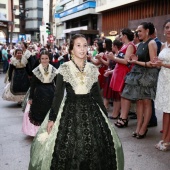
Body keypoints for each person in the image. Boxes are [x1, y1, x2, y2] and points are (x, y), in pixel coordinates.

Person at [29, 34, 124, 170]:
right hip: (70, 109)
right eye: (78, 45)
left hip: (91, 109)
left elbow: (97, 95)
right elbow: (58, 95)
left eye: (85, 45)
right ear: (72, 49)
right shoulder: (64, 68)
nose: (82, 49)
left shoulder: (92, 68)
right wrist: (52, 118)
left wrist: (105, 116)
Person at [121, 22, 159, 138]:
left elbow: (153, 64)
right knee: (139, 102)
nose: (138, 33)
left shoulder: (151, 43)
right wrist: (135, 59)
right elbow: (140, 59)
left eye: (140, 31)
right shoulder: (141, 44)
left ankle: (143, 127)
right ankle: (138, 127)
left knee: (146, 102)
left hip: (148, 76)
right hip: (139, 75)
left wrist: (136, 62)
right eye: (137, 31)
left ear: (147, 31)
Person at [22, 50, 58, 136]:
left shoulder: (53, 69)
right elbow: (33, 85)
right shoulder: (36, 70)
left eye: (46, 58)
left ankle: (50, 129)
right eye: (42, 58)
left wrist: (58, 96)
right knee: (39, 112)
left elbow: (57, 84)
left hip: (51, 93)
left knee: (50, 112)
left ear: (49, 59)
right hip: (39, 94)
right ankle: (39, 131)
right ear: (40, 60)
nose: (44, 60)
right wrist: (31, 97)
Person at [108, 28, 136, 127]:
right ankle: (123, 116)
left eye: (121, 35)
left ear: (125, 35)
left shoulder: (130, 46)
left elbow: (126, 61)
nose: (120, 37)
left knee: (125, 96)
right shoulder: (125, 45)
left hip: (124, 73)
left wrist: (113, 58)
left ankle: (124, 117)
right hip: (119, 72)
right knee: (122, 95)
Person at [153, 19, 170, 151]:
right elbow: (161, 61)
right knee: (165, 111)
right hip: (163, 79)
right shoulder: (164, 45)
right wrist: (156, 62)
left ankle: (167, 141)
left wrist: (162, 64)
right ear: (164, 30)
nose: (169, 30)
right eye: (167, 27)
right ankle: (164, 138)